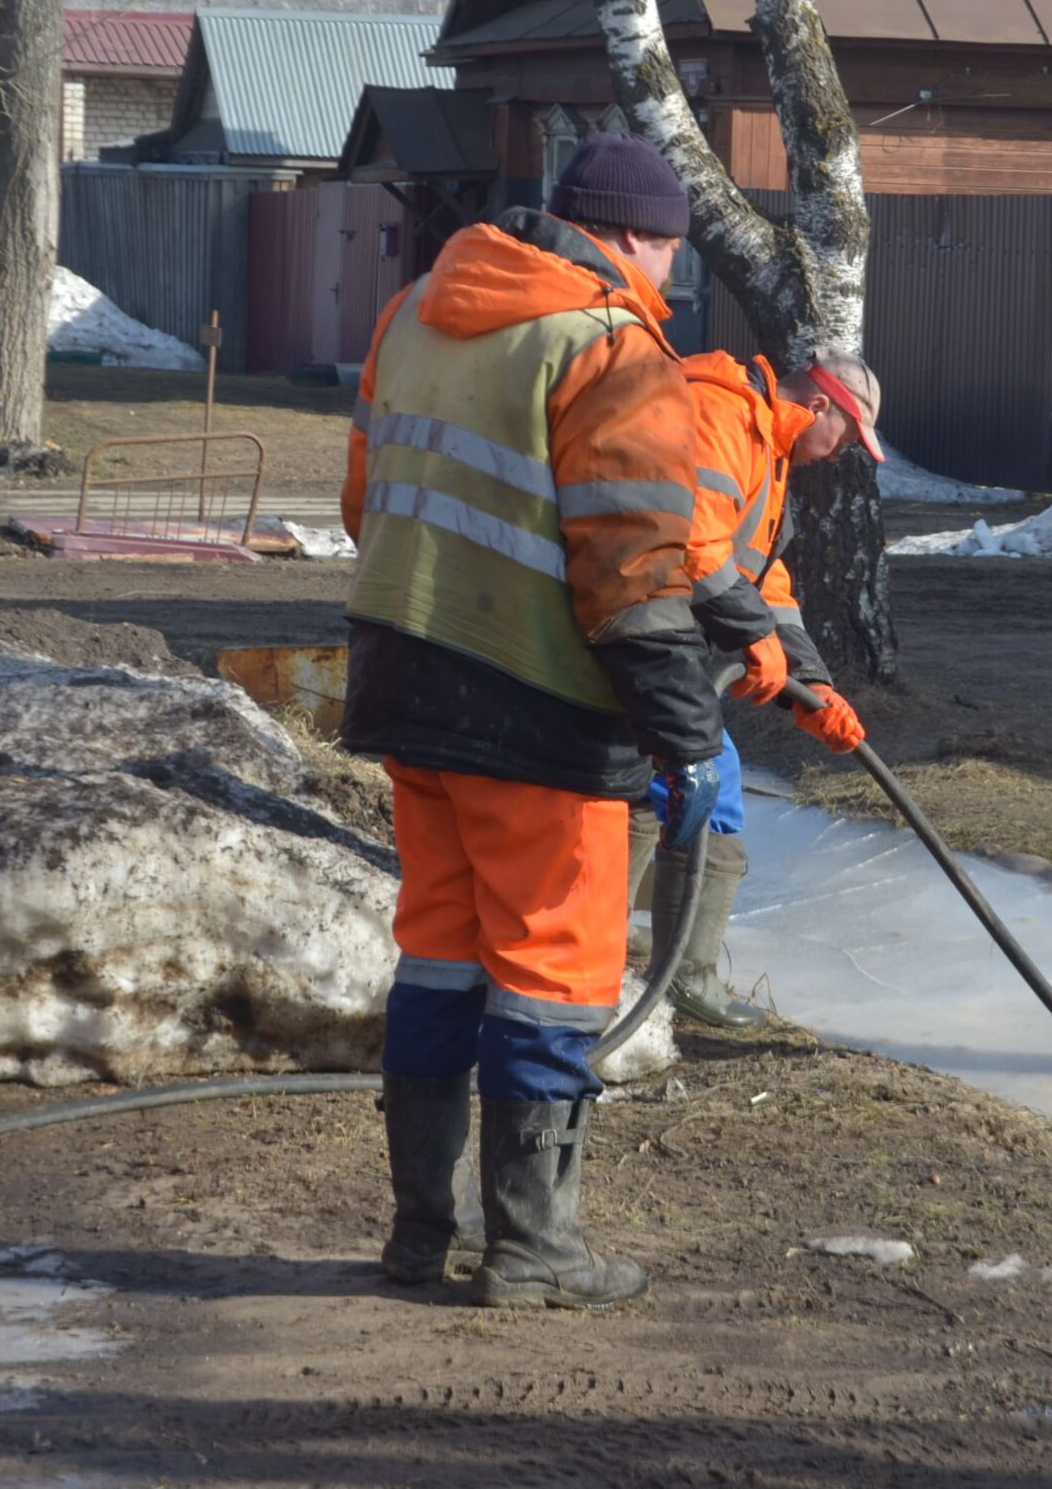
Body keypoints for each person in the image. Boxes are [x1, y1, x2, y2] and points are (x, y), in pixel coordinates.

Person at [337, 134, 723, 1312]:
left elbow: (365, 501)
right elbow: (632, 569)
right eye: (665, 250)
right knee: (554, 972)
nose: (667, 276)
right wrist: (687, 736)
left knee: (442, 958)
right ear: (630, 237)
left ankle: (417, 1236)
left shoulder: (412, 310)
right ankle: (536, 1250)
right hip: (538, 707)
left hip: (406, 680)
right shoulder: (611, 346)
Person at [627, 347, 883, 1027]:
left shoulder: (765, 448)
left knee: (703, 797)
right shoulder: (722, 412)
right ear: (821, 404)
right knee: (661, 795)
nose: (840, 455)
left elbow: (764, 580)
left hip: (668, 640)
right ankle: (639, 977)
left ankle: (672, 974)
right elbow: (693, 541)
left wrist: (813, 685)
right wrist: (752, 638)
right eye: (848, 437)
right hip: (638, 633)